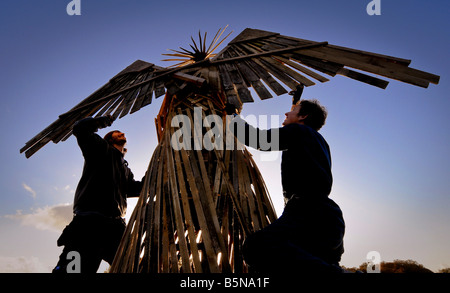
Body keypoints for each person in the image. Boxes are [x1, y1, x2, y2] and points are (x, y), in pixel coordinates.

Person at [226, 99, 345, 273]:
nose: (286, 113)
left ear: (303, 116)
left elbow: (259, 139)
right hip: (329, 217)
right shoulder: (320, 142)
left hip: (308, 210)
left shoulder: (299, 131)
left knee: (257, 247)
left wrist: (233, 116)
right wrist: (296, 101)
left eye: (293, 110)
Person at [53, 115, 143, 273]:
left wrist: (155, 170)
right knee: (73, 270)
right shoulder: (99, 149)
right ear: (109, 139)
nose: (121, 132)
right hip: (89, 223)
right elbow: (80, 128)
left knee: (131, 266)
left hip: (115, 227)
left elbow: (135, 189)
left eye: (122, 132)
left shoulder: (125, 169)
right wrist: (103, 121)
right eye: (116, 132)